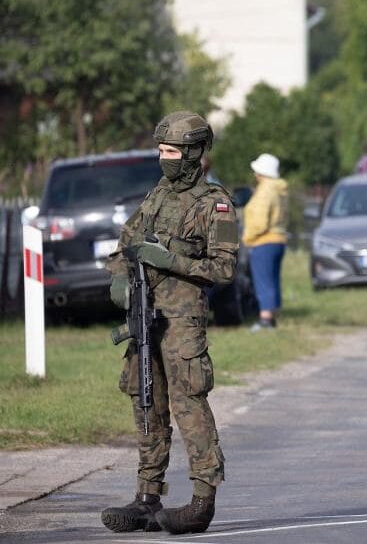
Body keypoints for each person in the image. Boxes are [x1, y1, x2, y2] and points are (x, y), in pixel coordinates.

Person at [100, 112, 237, 535]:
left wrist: (172, 260)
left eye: (172, 151)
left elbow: (225, 269)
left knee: (188, 405)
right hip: (145, 315)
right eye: (161, 150)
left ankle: (201, 501)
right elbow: (126, 245)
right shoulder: (157, 194)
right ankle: (147, 495)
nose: (164, 158)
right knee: (146, 402)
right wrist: (120, 276)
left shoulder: (214, 203)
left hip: (182, 321)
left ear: (194, 152)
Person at [243, 153, 288, 331]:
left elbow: (260, 221)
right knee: (273, 279)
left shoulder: (265, 190)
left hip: (263, 240)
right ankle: (272, 315)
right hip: (278, 239)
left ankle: (265, 319)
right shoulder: (279, 188)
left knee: (263, 280)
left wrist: (248, 237)